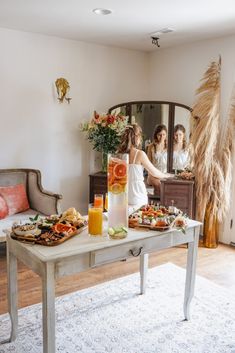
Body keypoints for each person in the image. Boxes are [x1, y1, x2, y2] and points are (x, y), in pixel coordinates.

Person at [118, 124, 172, 211]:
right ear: (137, 138)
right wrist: (166, 175)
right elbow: (153, 172)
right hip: (137, 195)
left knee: (124, 223)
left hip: (122, 196)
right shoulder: (139, 154)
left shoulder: (118, 155)